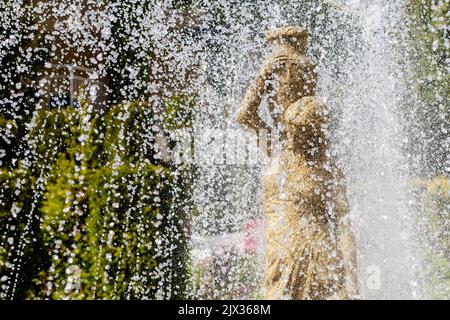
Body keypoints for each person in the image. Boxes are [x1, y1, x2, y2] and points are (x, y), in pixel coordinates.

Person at [237, 26, 358, 299]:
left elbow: (343, 223)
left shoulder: (321, 169)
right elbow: (244, 115)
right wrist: (265, 74)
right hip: (284, 258)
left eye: (314, 131)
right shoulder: (280, 157)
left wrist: (351, 281)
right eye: (303, 131)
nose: (310, 135)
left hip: (319, 258)